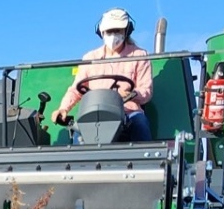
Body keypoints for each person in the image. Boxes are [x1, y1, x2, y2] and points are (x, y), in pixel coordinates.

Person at [51, 8, 154, 143]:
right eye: (109, 31)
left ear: (126, 31)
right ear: (102, 33)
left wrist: (131, 94)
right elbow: (75, 90)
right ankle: (81, 163)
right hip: (94, 113)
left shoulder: (139, 56)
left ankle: (146, 161)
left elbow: (146, 90)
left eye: (117, 30)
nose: (113, 35)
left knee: (140, 123)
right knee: (79, 131)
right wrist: (63, 109)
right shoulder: (90, 58)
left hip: (127, 113)